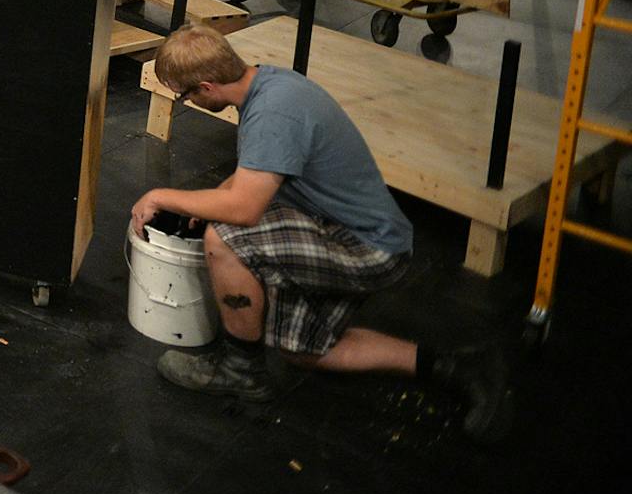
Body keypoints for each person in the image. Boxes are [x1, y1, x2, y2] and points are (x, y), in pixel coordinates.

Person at [132, 26, 510, 443]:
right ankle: (453, 368)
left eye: (187, 97)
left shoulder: (273, 115)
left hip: (367, 246)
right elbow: (255, 177)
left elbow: (245, 208)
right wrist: (206, 201)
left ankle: (240, 369)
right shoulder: (269, 84)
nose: (190, 104)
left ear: (206, 86)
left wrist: (163, 196)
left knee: (225, 238)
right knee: (304, 350)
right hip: (345, 227)